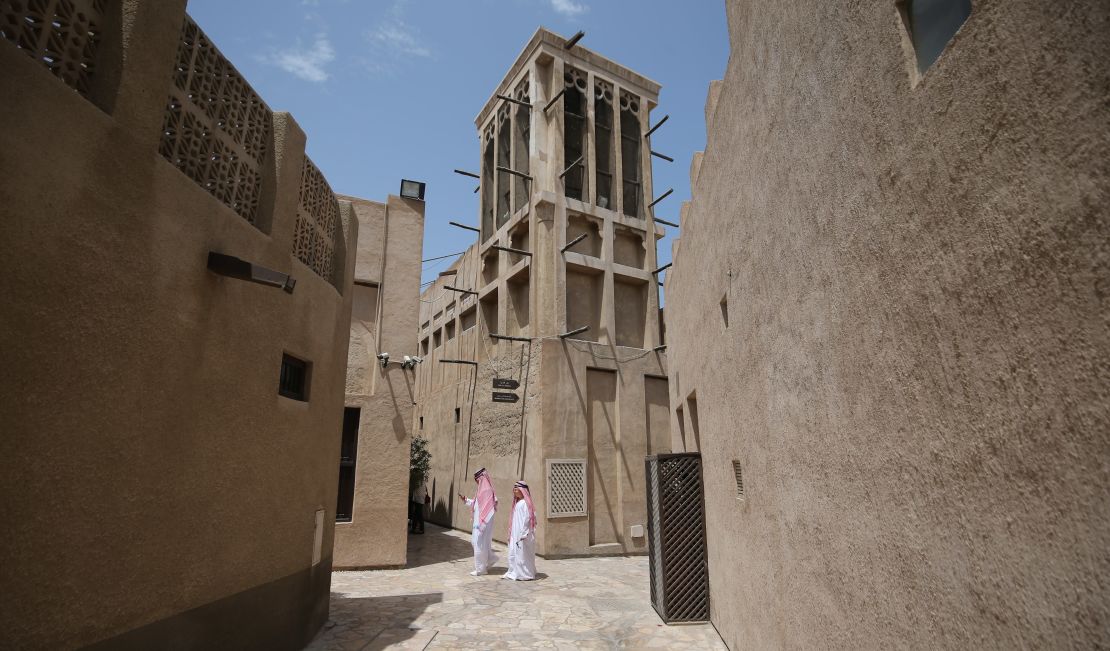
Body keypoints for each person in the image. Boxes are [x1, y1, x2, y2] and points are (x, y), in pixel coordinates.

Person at [458, 467, 497, 575]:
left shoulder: (486, 491)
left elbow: (489, 510)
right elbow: (477, 505)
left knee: (479, 544)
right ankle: (490, 560)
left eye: (477, 479)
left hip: (482, 524)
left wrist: (483, 525)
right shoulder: (481, 490)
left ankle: (481, 569)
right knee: (479, 543)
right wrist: (466, 500)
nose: (476, 481)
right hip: (479, 523)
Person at [503, 480, 537, 581]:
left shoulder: (526, 503)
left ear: (522, 490)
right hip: (515, 533)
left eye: (516, 488)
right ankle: (515, 571)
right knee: (513, 552)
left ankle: (525, 573)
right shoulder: (518, 503)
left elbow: (528, 519)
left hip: (523, 534)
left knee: (522, 554)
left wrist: (524, 533)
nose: (514, 490)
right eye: (514, 488)